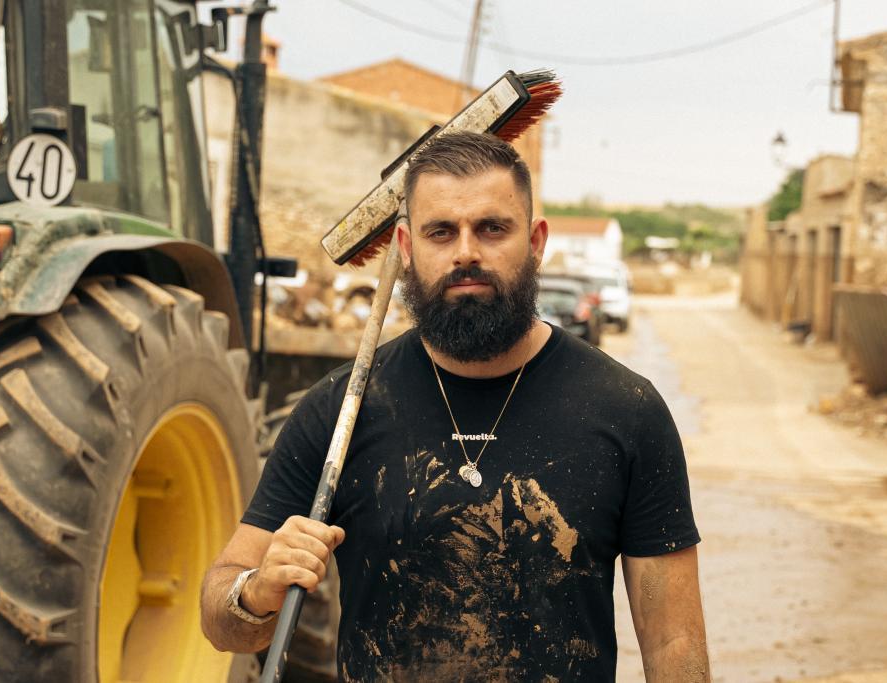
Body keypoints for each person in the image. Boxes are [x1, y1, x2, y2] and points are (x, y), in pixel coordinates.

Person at [200, 132, 709, 681]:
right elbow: (221, 623)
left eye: (492, 228)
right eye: (441, 231)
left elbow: (673, 641)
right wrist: (256, 590)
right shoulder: (341, 411)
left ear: (536, 242)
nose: (466, 251)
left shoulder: (627, 412)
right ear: (407, 248)